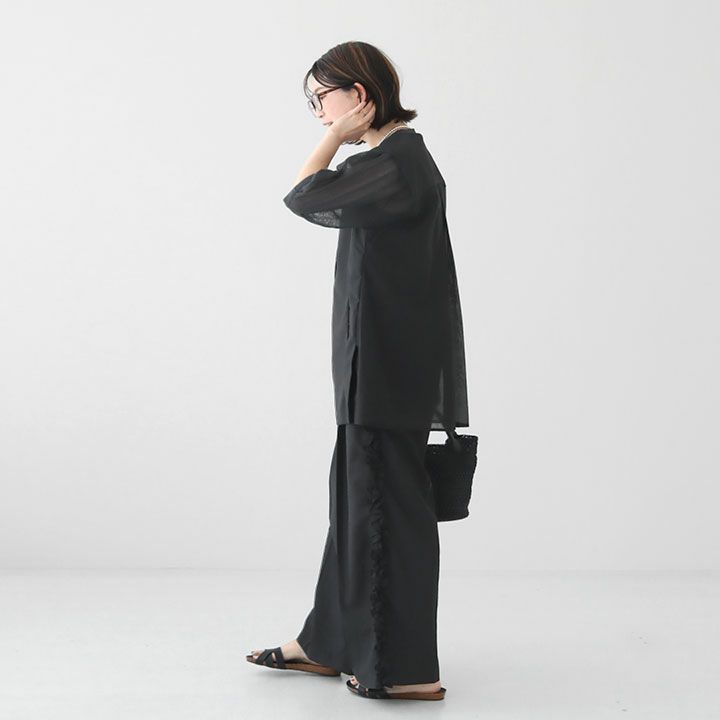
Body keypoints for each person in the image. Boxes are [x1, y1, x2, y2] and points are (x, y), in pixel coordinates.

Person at [247, 41, 469, 701]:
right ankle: (328, 642)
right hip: (373, 368)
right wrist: (346, 136)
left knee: (385, 512)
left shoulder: (397, 163)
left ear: (360, 94)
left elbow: (303, 195)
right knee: (357, 506)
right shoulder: (387, 162)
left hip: (384, 371)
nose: (319, 112)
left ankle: (406, 670)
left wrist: (335, 137)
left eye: (323, 98)